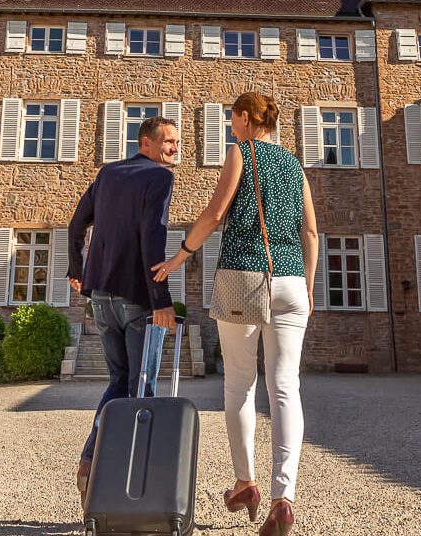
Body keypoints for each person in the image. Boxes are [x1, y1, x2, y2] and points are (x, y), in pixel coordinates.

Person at [154, 91, 316, 536]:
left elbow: (215, 212)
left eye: (231, 120)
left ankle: (245, 483)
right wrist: (309, 286)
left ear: (245, 120)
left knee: (240, 384)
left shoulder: (240, 152)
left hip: (242, 275)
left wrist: (179, 257)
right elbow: (313, 231)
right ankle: (284, 499)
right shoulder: (294, 164)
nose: (230, 127)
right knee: (285, 387)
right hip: (291, 282)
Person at [66, 114, 182, 504]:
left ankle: (89, 460)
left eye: (177, 142)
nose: (174, 148)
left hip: (101, 298)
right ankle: (127, 482)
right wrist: (161, 301)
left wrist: (77, 269)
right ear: (145, 143)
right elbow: (153, 237)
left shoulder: (108, 174)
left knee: (118, 382)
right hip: (135, 299)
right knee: (141, 385)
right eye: (168, 141)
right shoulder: (160, 178)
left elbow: (76, 224)